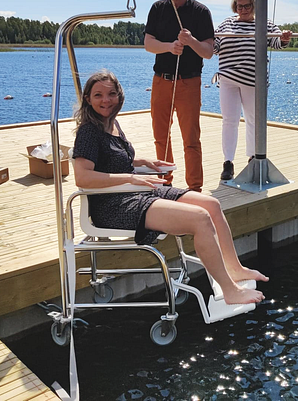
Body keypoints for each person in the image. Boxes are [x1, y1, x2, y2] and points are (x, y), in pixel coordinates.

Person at [72, 70, 266, 305]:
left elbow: (110, 159)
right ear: (88, 99)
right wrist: (130, 178)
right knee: (200, 218)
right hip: (114, 205)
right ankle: (231, 291)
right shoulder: (88, 131)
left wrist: (143, 163)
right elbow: (83, 177)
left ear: (119, 96)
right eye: (98, 95)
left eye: (111, 94)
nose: (106, 100)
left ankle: (235, 269)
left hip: (136, 192)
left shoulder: (110, 123)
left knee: (212, 205)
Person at [144, 0, 214, 193]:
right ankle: (165, 181)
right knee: (160, 136)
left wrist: (190, 41)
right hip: (161, 80)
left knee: (191, 139)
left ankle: (195, 188)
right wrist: (169, 47)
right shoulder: (157, 9)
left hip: (189, 82)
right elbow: (148, 44)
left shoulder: (201, 12)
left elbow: (208, 52)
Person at [214, 0, 292, 180]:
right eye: (239, 6)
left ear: (254, 6)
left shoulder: (264, 23)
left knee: (253, 120)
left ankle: (252, 158)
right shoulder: (226, 24)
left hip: (253, 81)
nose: (243, 10)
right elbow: (214, 46)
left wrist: (284, 38)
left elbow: (277, 42)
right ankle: (228, 162)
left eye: (247, 5)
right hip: (228, 79)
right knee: (229, 120)